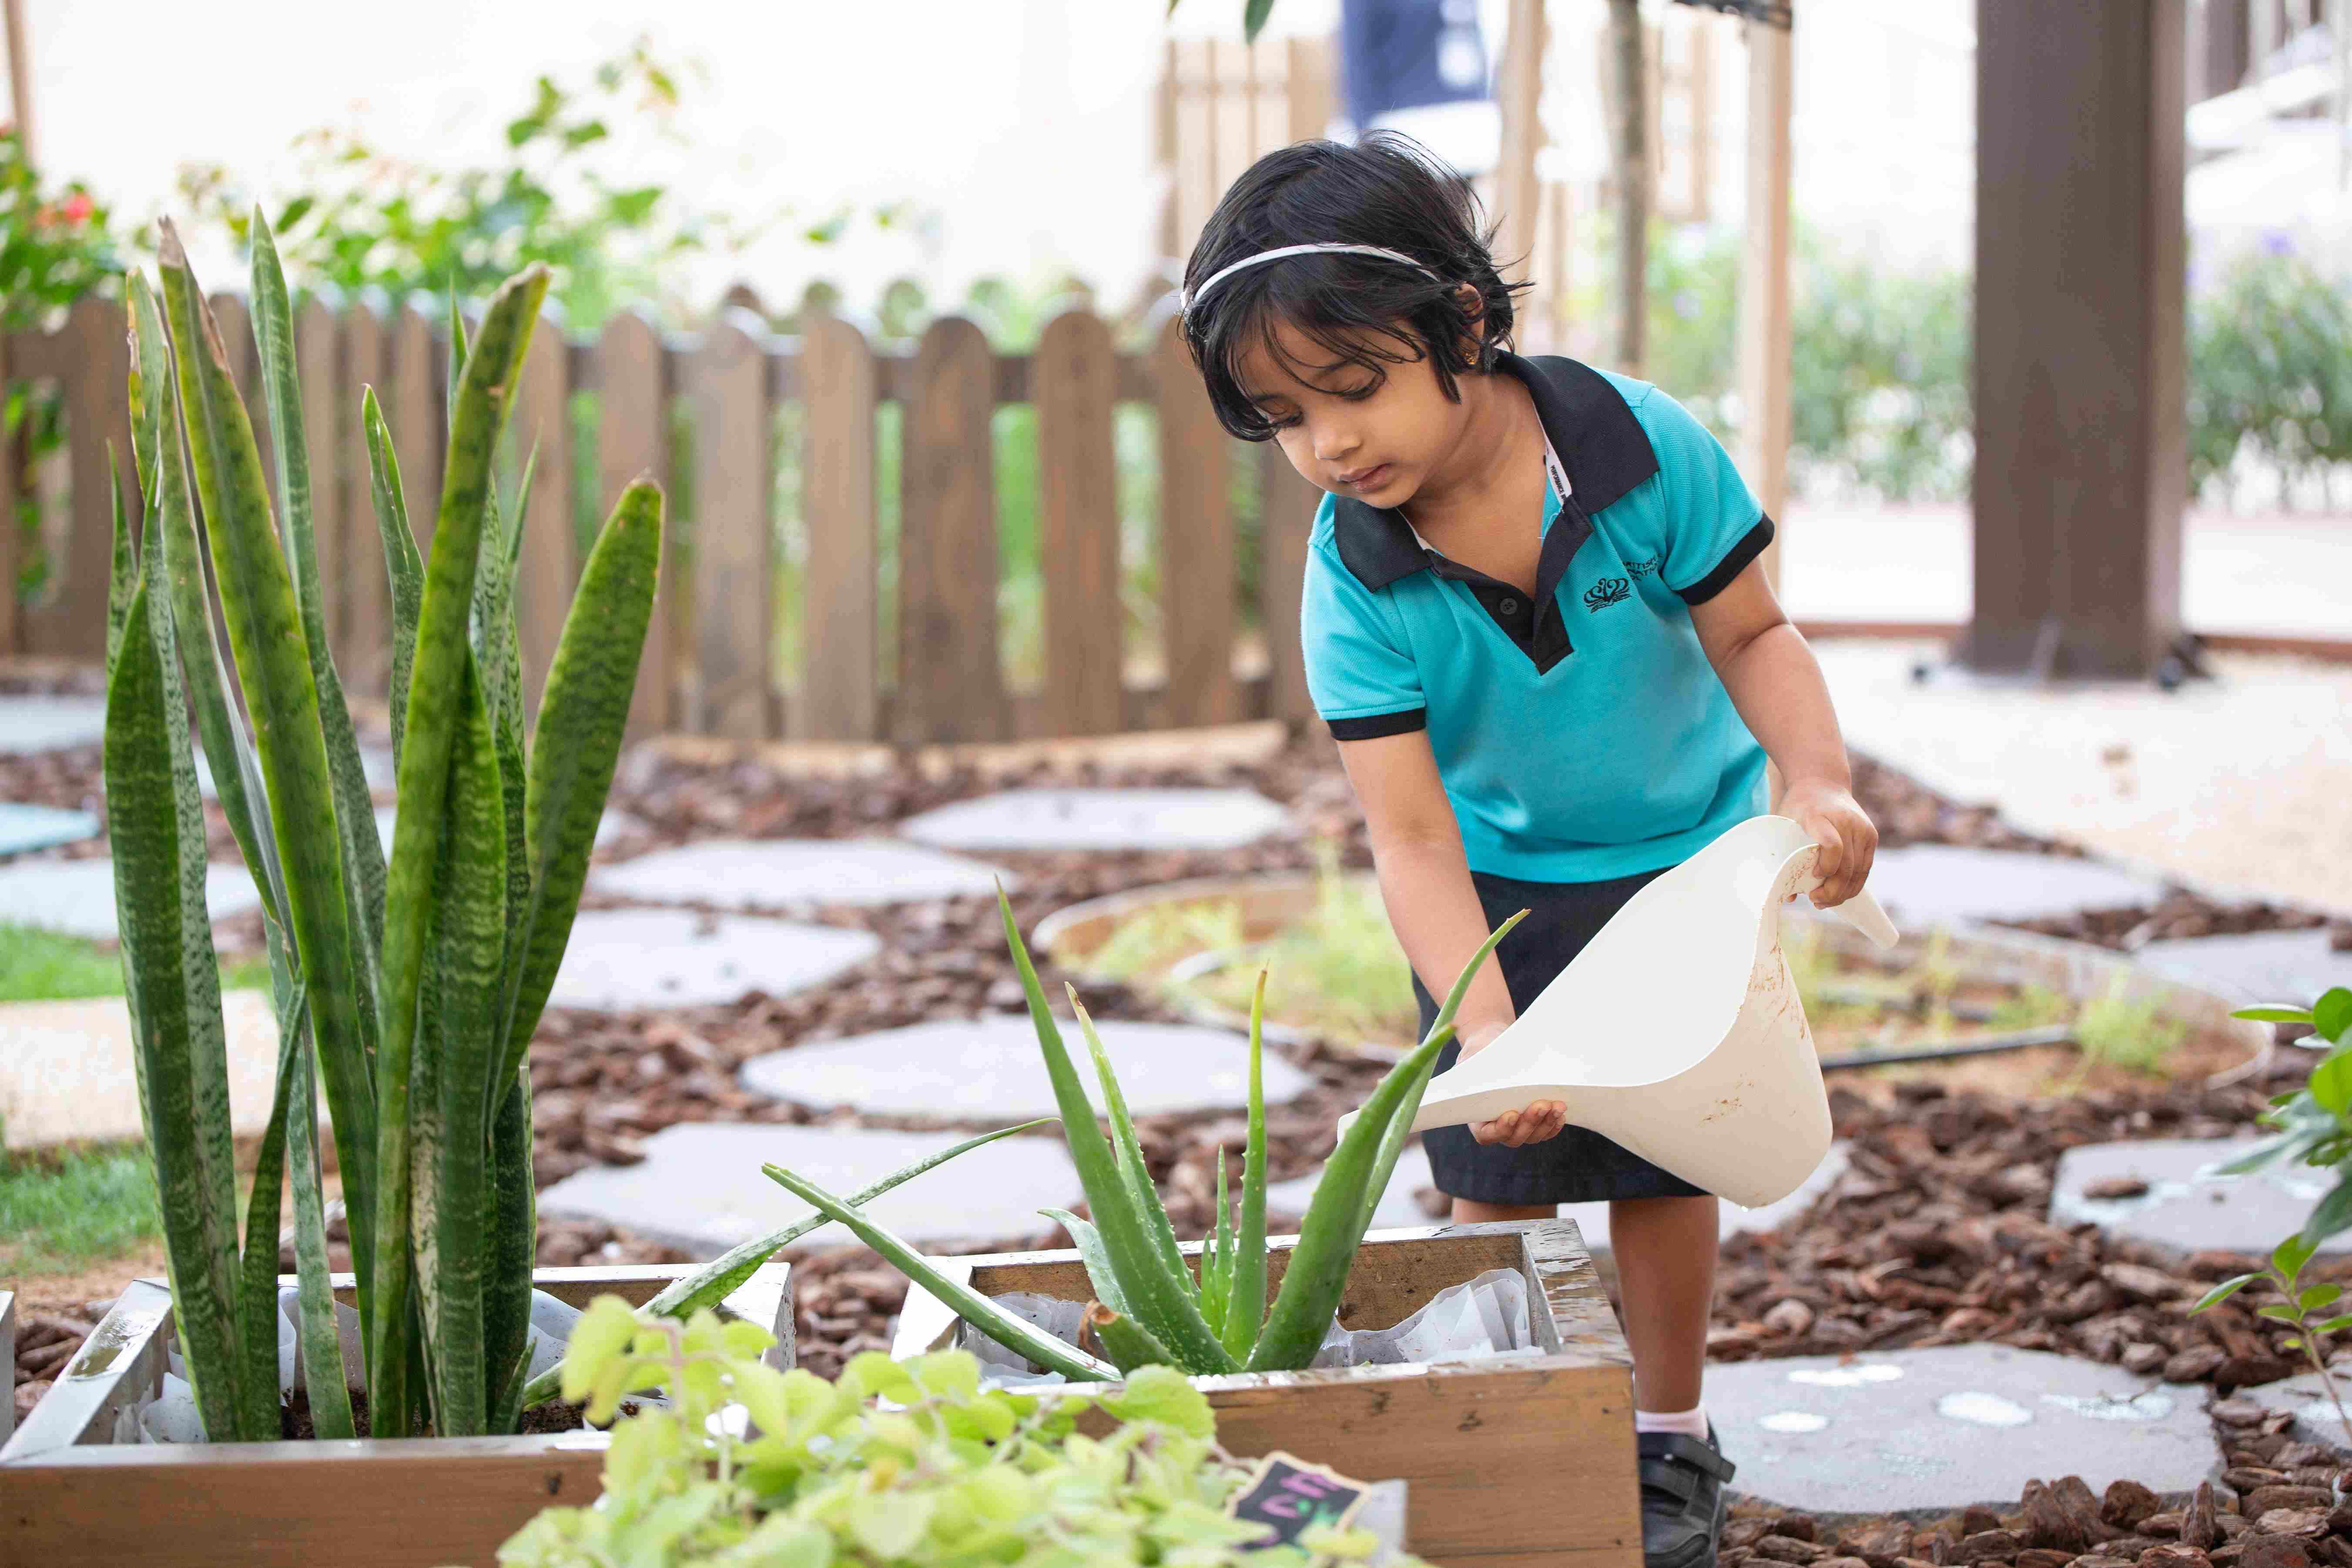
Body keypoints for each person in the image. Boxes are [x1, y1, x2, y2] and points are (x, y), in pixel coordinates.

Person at [1176, 132, 1877, 1568]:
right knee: (1496, 1175)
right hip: (1493, 890)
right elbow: (1411, 831)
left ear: (1470, 323)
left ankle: (1669, 1436)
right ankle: (1509, 1421)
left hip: (1682, 862)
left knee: (1662, 1159)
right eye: (1283, 418)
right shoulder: (1350, 572)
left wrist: (1817, 780)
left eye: (1355, 388)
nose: (1330, 446)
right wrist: (1486, 1026)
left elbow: (1753, 631)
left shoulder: (1638, 446)